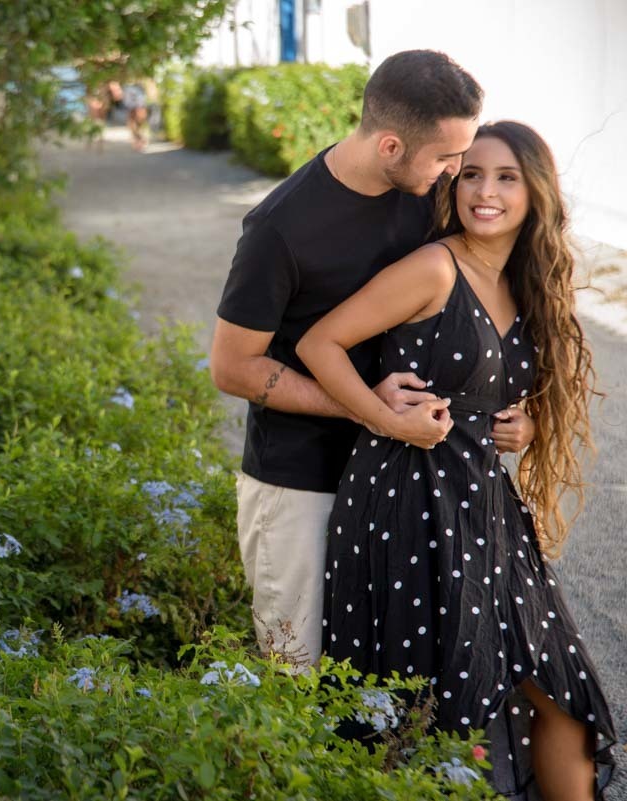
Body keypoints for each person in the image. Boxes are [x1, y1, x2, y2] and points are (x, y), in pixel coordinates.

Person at [297, 121, 616, 800]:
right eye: (470, 173)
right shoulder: (435, 267)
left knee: (558, 686)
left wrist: (525, 423)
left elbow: (505, 386)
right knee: (431, 700)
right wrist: (384, 416)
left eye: (505, 177)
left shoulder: (525, 282)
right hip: (404, 503)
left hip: (487, 509)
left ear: (536, 192)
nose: (485, 191)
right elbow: (319, 344)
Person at [210, 50, 536, 663]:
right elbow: (233, 367)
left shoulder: (428, 195)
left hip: (408, 482)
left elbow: (471, 310)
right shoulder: (278, 229)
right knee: (299, 674)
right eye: (445, 158)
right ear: (390, 146)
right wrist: (370, 411)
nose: (455, 173)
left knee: (399, 678)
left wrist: (508, 412)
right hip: (303, 482)